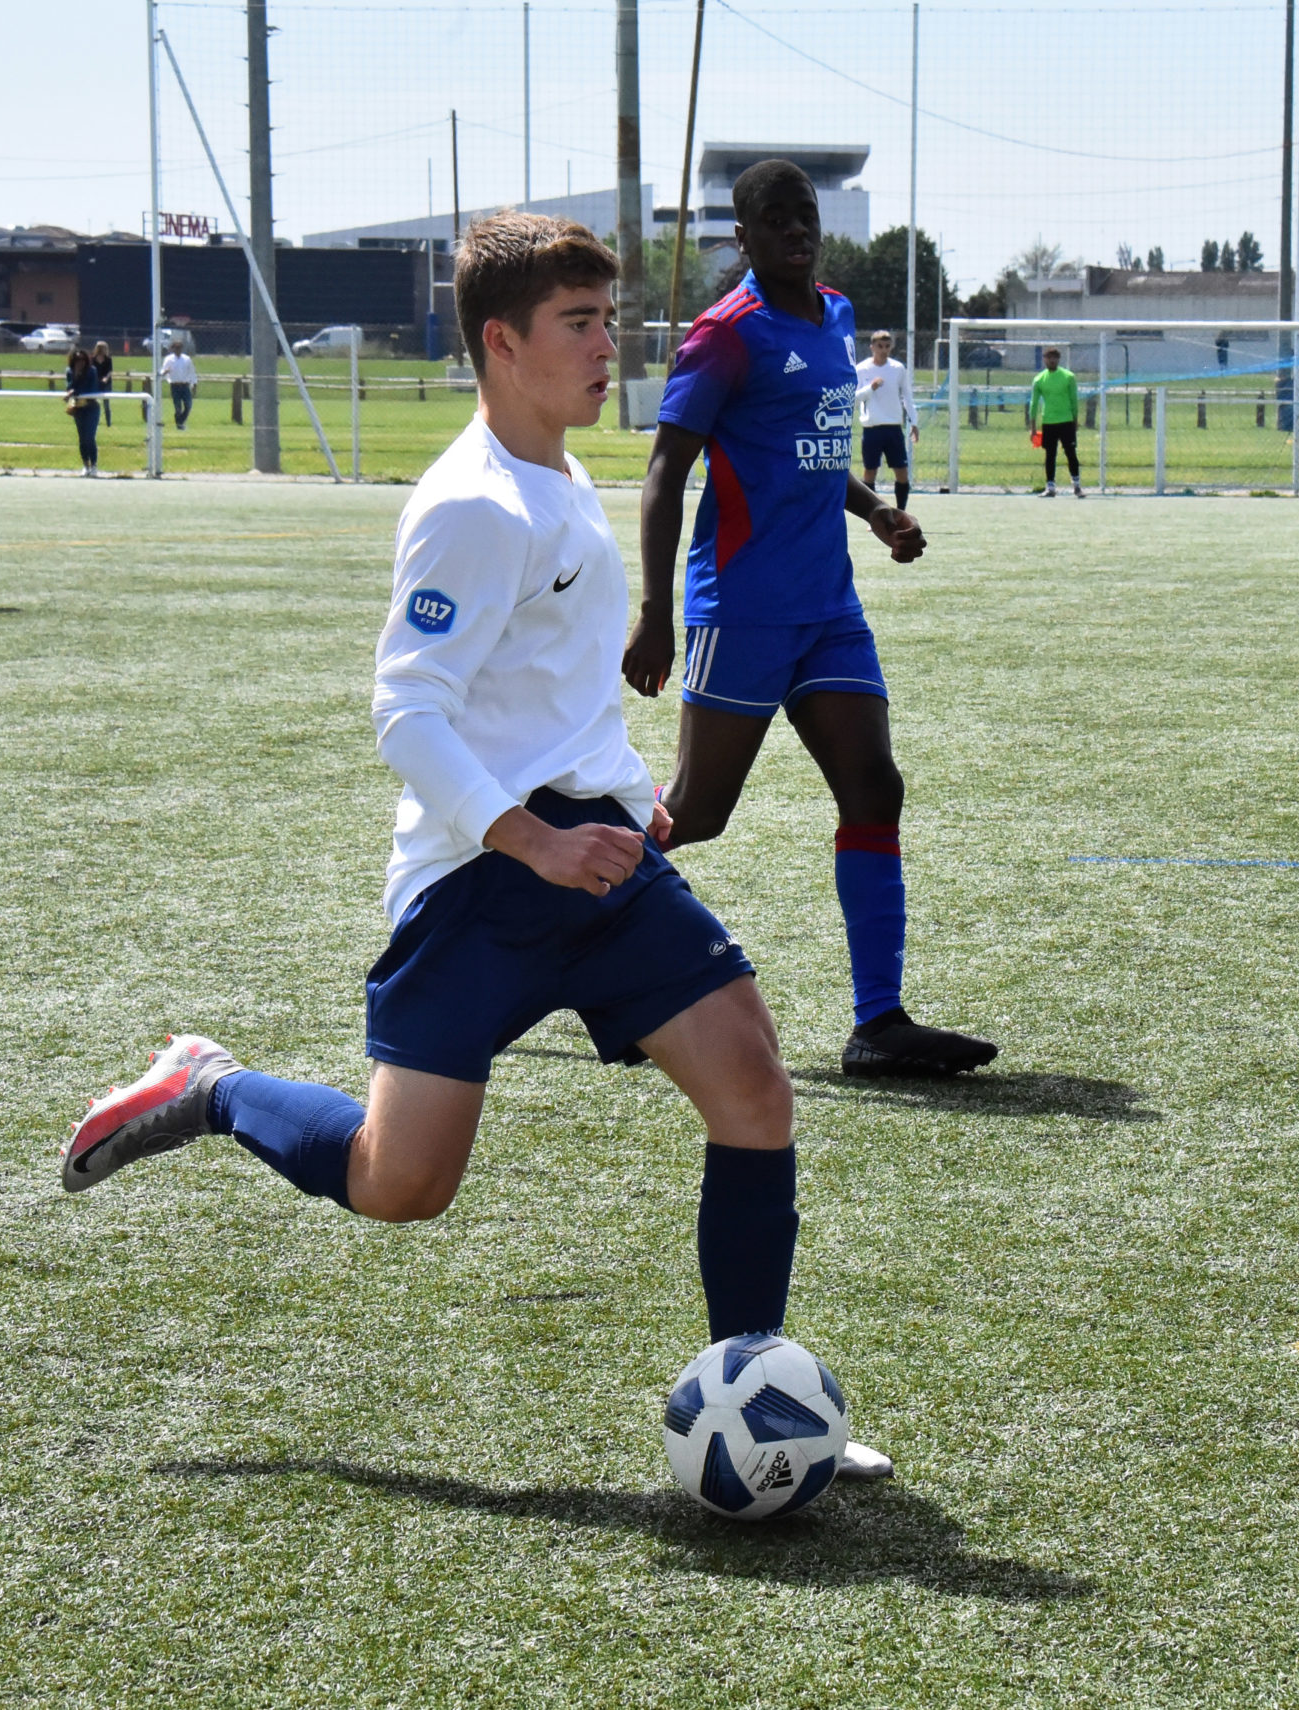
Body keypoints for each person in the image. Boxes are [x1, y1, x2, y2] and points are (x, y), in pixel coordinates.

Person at [56, 210, 896, 1486]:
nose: (608, 347)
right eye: (579, 324)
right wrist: (526, 839)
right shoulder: (471, 505)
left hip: (600, 857)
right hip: (480, 881)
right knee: (400, 1185)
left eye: (610, 321)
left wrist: (623, 797)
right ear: (501, 342)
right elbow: (407, 710)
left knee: (754, 1091)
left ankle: (755, 1390)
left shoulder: (560, 473)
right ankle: (211, 1087)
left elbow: (550, 687)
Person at [629, 158, 999, 1079]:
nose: (797, 231)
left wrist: (873, 512)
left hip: (829, 609)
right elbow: (666, 473)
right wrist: (655, 611)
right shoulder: (725, 334)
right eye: (777, 220)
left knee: (875, 787)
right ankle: (547, 916)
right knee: (697, 813)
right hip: (742, 608)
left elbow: (816, 452)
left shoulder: (835, 317)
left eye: (806, 217)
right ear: (745, 236)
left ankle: (879, 1022)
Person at [854, 329, 918, 511]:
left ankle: (901, 512)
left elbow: (907, 397)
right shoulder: (862, 369)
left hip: (893, 428)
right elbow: (855, 398)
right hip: (872, 428)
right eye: (880, 346)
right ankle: (872, 513)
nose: (883, 350)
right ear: (872, 347)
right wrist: (871, 388)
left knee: (902, 473)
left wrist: (914, 422)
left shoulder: (897, 368)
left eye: (887, 346)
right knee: (869, 472)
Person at [1030, 347, 1083, 498]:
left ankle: (1077, 486)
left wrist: (1075, 419)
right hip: (1049, 422)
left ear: (1058, 359)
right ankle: (1050, 487)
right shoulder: (1039, 379)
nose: (1051, 360)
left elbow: (1073, 400)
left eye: (1054, 358)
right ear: (1044, 359)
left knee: (1071, 453)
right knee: (1050, 455)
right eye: (1049, 358)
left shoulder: (1068, 377)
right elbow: (1034, 403)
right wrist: (1033, 427)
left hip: (1066, 421)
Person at [64, 348, 105, 475]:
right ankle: (86, 465)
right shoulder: (70, 371)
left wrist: (74, 391)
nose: (79, 362)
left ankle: (94, 465)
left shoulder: (92, 371)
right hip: (78, 408)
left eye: (82, 359)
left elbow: (92, 389)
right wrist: (75, 377)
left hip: (91, 407)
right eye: (76, 360)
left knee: (89, 437)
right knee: (82, 438)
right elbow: (69, 386)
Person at [162, 342, 198, 430]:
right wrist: (165, 372)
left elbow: (192, 372)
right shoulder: (168, 359)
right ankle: (179, 425)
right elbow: (163, 371)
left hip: (185, 385)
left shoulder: (186, 359)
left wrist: (194, 384)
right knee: (178, 407)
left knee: (188, 405)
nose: (178, 350)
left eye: (179, 348)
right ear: (173, 349)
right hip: (175, 386)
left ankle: (180, 421)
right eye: (176, 348)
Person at [92, 340, 116, 427]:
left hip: (106, 384)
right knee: (93, 403)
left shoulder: (108, 359)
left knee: (106, 404)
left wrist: (106, 378)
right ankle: (94, 421)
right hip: (96, 383)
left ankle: (108, 423)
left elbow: (110, 371)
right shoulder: (93, 359)